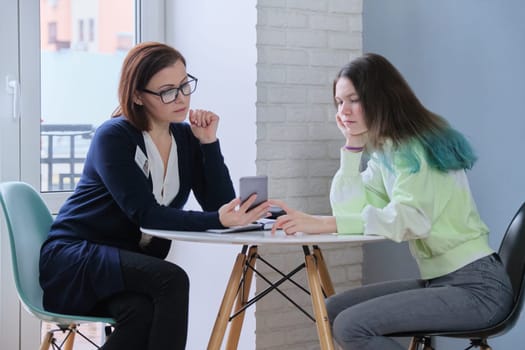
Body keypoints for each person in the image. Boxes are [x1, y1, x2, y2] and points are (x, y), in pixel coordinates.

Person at [270, 53, 514, 350]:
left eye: (353, 99)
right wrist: (352, 147)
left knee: (351, 325)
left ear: (379, 97)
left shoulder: (416, 146)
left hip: (478, 287)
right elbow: (349, 211)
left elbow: (410, 218)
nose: (344, 111)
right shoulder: (388, 151)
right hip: (442, 280)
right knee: (330, 311)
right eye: (339, 102)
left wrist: (323, 224)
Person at [39, 41, 269, 350]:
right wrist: (217, 218)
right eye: (167, 91)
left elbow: (220, 207)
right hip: (77, 257)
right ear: (137, 95)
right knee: (171, 280)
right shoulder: (114, 137)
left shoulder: (186, 138)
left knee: (141, 313)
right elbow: (144, 214)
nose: (182, 98)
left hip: (125, 268)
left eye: (185, 85)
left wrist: (209, 144)